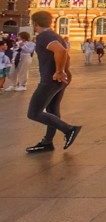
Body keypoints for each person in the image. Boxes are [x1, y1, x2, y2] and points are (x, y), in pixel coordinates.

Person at [25, 10, 81, 153]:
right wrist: (65, 72)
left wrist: (59, 71)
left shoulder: (44, 36)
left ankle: (69, 130)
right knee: (52, 110)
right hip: (60, 80)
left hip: (50, 80)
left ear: (34, 23)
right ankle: (47, 142)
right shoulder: (55, 35)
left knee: (34, 112)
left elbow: (61, 51)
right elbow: (66, 55)